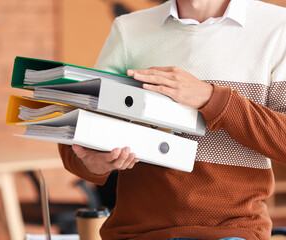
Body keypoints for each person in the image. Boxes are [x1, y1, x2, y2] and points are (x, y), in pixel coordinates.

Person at [58, 0, 286, 239]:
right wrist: (92, 164)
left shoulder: (277, 27)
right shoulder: (128, 29)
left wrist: (211, 98)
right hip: (136, 232)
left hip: (232, 231)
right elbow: (82, 136)